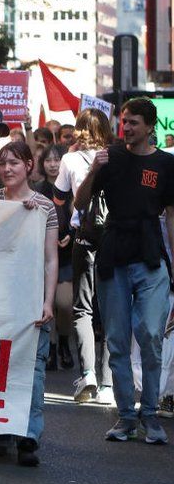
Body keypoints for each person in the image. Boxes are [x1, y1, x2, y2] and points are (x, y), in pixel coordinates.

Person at [74, 97, 174, 445]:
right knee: (116, 340)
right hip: (114, 254)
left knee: (149, 334)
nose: (126, 128)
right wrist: (93, 170)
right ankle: (126, 417)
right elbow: (79, 202)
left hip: (150, 257)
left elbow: (172, 219)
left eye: (133, 123)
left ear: (149, 126)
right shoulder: (111, 157)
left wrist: (173, 266)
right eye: (124, 122)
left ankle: (151, 414)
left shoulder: (166, 164)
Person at [0, 141, 58, 466]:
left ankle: (28, 435)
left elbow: (50, 259)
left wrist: (48, 302)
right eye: (2, 164)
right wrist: (9, 216)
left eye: (14, 163)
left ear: (28, 165)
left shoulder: (44, 207)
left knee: (32, 371)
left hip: (29, 301)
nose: (7, 169)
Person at [53, 108, 114, 404]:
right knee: (113, 310)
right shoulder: (118, 157)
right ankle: (109, 385)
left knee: (83, 309)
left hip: (85, 238)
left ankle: (87, 374)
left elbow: (59, 198)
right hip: (115, 241)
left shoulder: (69, 160)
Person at [35, 144, 76, 371]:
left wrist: (70, 234)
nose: (53, 164)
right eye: (49, 160)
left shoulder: (72, 188)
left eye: (57, 160)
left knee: (65, 304)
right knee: (44, 305)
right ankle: (49, 349)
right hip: (40, 256)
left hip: (67, 256)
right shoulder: (37, 189)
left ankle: (63, 342)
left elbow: (81, 217)